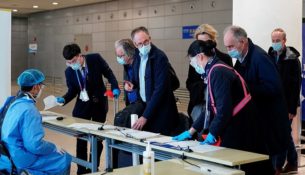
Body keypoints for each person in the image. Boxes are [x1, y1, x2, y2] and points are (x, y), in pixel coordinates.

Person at [223, 25, 291, 175]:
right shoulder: (242, 58)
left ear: (242, 42)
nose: (229, 51)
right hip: (257, 124)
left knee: (269, 167)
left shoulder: (260, 58)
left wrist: (246, 88)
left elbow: (274, 88)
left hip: (270, 125)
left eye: (231, 46)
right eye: (226, 47)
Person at [173, 39, 258, 152]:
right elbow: (210, 107)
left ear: (200, 57)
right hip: (236, 122)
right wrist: (191, 131)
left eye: (192, 62)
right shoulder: (213, 69)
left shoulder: (218, 72)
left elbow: (223, 109)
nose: (193, 66)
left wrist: (213, 133)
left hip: (241, 124)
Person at [56, 43, 120, 174]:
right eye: (68, 62)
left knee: (97, 139)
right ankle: (81, 169)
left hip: (99, 105)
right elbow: (72, 91)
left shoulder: (94, 59)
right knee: (81, 140)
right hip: (82, 107)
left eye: (73, 61)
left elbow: (108, 73)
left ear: (80, 56)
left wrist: (115, 86)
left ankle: (93, 167)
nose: (71, 64)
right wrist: (64, 99)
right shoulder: (69, 71)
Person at [0, 69, 71, 175]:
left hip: (5, 152)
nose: (41, 89)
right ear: (35, 87)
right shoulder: (30, 110)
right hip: (20, 157)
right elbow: (34, 145)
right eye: (41, 86)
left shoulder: (11, 101)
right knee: (64, 158)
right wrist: (53, 147)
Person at [125, 26, 178, 135]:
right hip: (146, 107)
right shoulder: (137, 56)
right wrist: (132, 85)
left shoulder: (159, 57)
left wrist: (145, 116)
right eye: (140, 43)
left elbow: (160, 90)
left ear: (150, 38)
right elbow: (137, 78)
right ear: (135, 44)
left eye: (146, 41)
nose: (144, 45)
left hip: (161, 111)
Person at [268, 28, 301, 174]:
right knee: (283, 134)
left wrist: (292, 109)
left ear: (284, 41)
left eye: (278, 41)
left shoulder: (292, 59)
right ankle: (292, 162)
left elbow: (295, 86)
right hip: (273, 104)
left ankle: (277, 166)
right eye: (273, 40)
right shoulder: (270, 55)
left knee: (282, 134)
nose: (275, 43)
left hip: (286, 105)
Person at [186, 24, 232, 125]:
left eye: (205, 42)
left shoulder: (224, 59)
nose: (202, 46)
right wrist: (204, 84)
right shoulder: (196, 60)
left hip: (217, 105)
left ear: (213, 40)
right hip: (200, 103)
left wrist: (212, 82)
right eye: (200, 42)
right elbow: (189, 83)